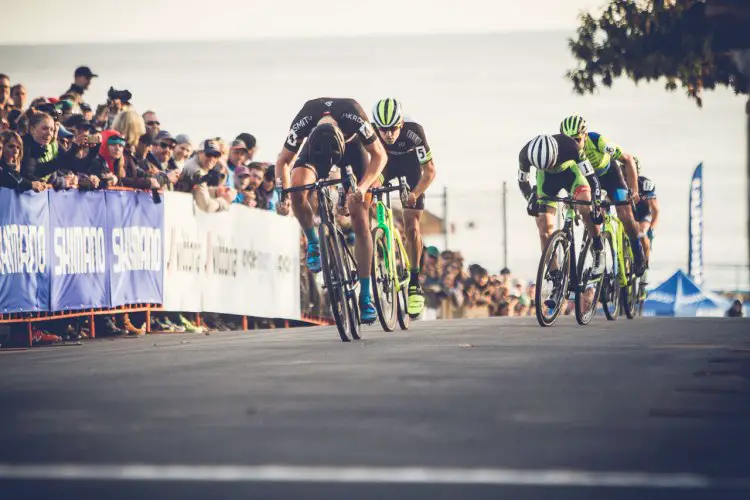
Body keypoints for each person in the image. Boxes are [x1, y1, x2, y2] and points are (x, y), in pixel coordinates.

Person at [275, 97, 388, 324]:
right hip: (316, 148)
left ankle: (365, 297)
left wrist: (362, 187)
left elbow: (380, 156)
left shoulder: (354, 114)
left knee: (360, 219)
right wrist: (284, 195)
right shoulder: (305, 119)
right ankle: (314, 243)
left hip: (353, 150)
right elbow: (283, 161)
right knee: (298, 189)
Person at [518, 133, 604, 307]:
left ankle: (597, 248)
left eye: (550, 164)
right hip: (547, 181)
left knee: (585, 208)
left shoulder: (570, 146)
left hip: (572, 175)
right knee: (543, 227)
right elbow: (523, 181)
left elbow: (591, 177)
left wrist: (595, 200)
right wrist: (530, 198)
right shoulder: (525, 154)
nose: (550, 166)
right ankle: (557, 279)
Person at [371, 97, 436, 318]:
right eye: (383, 129)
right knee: (371, 189)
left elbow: (430, 172)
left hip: (411, 169)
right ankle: (383, 230)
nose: (388, 134)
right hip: (385, 165)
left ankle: (415, 283)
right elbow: (367, 167)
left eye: (392, 129)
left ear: (400, 124)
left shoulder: (414, 132)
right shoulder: (370, 133)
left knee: (412, 226)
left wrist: (415, 194)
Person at [559, 114, 646, 276]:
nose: (573, 144)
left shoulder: (598, 141)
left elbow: (628, 159)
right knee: (590, 215)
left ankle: (636, 248)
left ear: (584, 135)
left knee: (625, 214)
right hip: (587, 180)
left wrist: (633, 189)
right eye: (569, 140)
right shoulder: (565, 151)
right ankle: (599, 254)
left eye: (577, 140)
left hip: (610, 176)